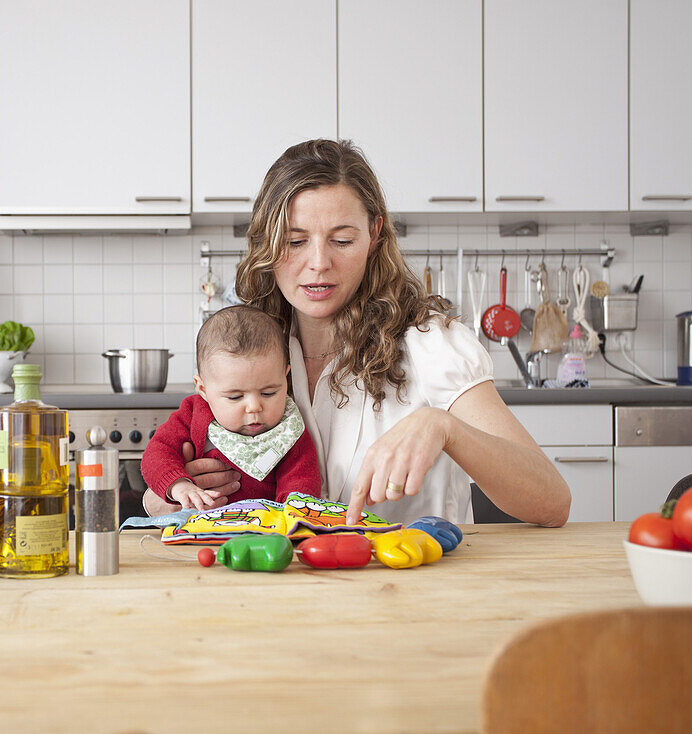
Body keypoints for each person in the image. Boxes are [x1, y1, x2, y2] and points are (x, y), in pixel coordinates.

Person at [144, 139, 570, 527]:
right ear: (267, 244)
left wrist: (446, 428)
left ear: (374, 234)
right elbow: (164, 486)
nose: (318, 263)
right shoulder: (253, 350)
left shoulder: (432, 343)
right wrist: (167, 498)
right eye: (294, 242)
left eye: (342, 241)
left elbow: (552, 502)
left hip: (413, 595)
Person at [141, 305, 320, 511]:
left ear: (285, 377)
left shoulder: (288, 429)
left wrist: (293, 516)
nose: (254, 407)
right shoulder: (192, 414)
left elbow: (302, 481)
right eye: (235, 397)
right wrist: (178, 485)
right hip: (201, 530)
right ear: (203, 389)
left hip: (265, 533)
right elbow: (157, 453)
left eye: (268, 393)